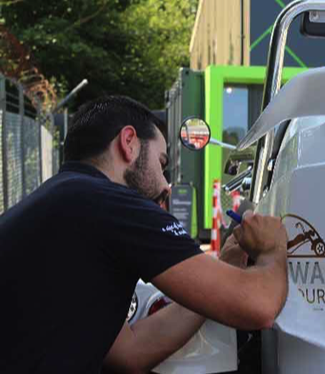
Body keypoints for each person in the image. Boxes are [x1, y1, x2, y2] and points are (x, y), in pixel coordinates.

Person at [0, 96, 288, 374]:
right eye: (162, 164)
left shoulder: (65, 198)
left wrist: (220, 279)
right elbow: (260, 305)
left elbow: (130, 352)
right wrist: (274, 246)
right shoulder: (110, 203)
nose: (166, 185)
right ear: (129, 143)